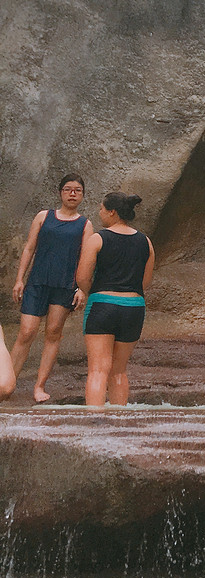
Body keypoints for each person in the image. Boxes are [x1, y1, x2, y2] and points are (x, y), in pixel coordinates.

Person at [4, 173, 92, 403]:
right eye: (68, 189)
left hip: (65, 286)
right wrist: (19, 279)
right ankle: (6, 384)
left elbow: (86, 259)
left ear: (82, 195)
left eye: (78, 190)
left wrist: (82, 288)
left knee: (53, 333)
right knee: (26, 332)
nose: (73, 193)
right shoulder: (44, 217)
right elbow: (29, 248)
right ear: (60, 192)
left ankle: (39, 386)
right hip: (37, 282)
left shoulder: (85, 224)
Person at [75, 191, 154, 409]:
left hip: (103, 305)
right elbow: (144, 282)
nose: (100, 213)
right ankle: (120, 425)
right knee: (119, 370)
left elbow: (82, 277)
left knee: (98, 370)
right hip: (134, 307)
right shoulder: (145, 242)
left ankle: (95, 424)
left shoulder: (98, 238)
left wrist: (96, 291)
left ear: (112, 212)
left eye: (101, 209)